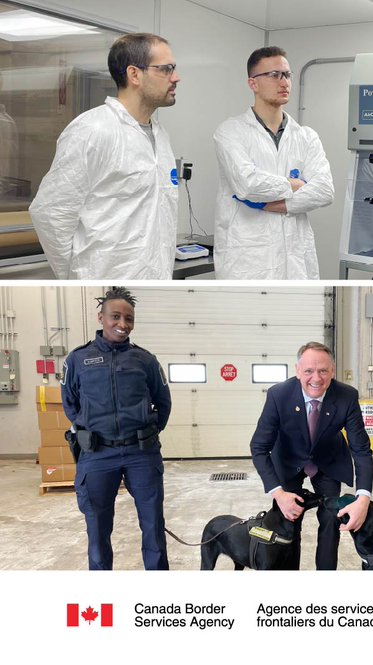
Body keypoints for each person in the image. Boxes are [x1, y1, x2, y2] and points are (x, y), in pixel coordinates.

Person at [30, 33, 180, 280]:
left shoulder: (160, 136)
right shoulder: (93, 129)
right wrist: (75, 277)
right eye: (166, 69)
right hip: (101, 282)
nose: (175, 78)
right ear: (134, 74)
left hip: (155, 280)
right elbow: (51, 212)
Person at [63, 287, 171, 570]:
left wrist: (147, 431)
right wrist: (89, 429)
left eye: (129, 318)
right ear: (101, 317)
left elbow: (163, 402)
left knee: (153, 526)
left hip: (141, 454)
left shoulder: (145, 360)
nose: (122, 324)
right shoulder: (78, 360)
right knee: (97, 530)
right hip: (97, 455)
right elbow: (69, 403)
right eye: (115, 317)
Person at [249, 342, 373, 570]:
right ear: (297, 370)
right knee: (288, 523)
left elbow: (361, 449)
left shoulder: (347, 396)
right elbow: (258, 447)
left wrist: (363, 498)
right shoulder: (279, 395)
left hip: (328, 460)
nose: (316, 378)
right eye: (308, 371)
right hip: (288, 461)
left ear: (332, 371)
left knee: (331, 522)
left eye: (323, 370)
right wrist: (278, 493)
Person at [212, 46, 334, 280]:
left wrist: (283, 206)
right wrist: (296, 185)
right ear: (253, 83)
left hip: (296, 258)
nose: (284, 82)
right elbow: (248, 185)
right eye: (274, 75)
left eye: (287, 75)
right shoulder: (230, 132)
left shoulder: (306, 136)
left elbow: (325, 191)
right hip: (249, 260)